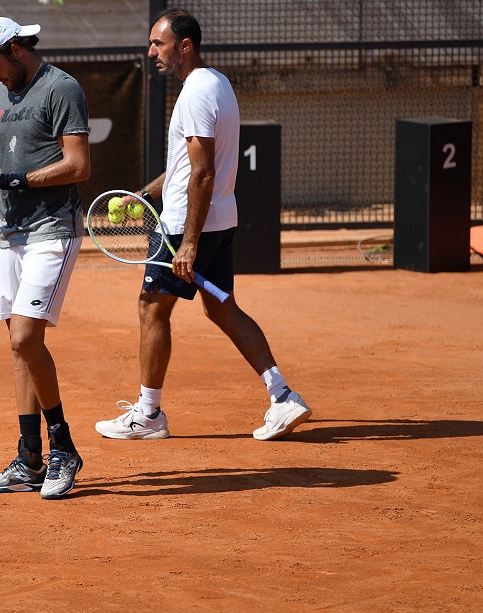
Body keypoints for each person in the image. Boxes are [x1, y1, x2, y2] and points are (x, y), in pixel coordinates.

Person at [94, 8, 312, 442]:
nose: (151, 51)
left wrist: (188, 242)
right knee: (221, 306)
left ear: (184, 46)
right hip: (219, 218)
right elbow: (184, 165)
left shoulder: (194, 93)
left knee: (151, 305)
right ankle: (282, 394)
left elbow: (203, 172)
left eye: (159, 43)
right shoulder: (216, 82)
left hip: (185, 225)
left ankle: (149, 414)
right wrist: (147, 193)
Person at [0, 17, 90, 499]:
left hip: (53, 227)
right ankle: (29, 458)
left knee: (25, 334)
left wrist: (13, 182)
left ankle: (64, 450)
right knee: (18, 345)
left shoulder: (62, 88)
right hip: (11, 231)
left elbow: (79, 165)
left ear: (16, 49)